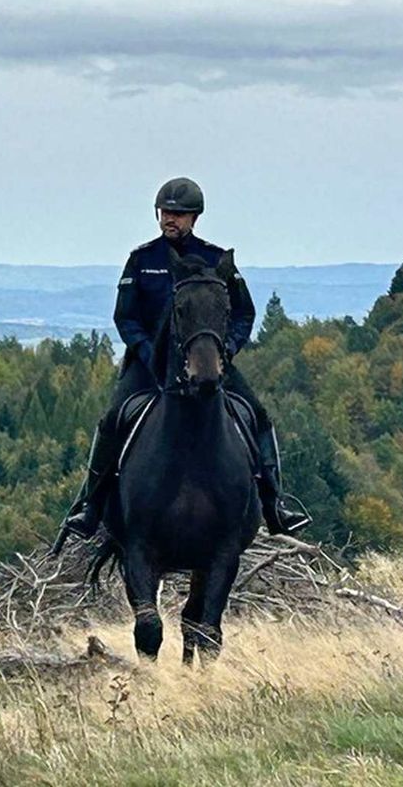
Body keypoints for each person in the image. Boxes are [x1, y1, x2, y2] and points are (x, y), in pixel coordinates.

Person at [56, 177, 311, 546]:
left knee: (258, 414)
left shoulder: (216, 260)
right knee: (110, 420)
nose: (169, 220)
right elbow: (125, 317)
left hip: (208, 363)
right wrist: (149, 354)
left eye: (177, 214)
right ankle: (90, 505)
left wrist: (225, 351)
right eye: (164, 213)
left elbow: (244, 313)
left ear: (194, 217)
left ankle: (275, 503)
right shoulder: (141, 259)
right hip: (148, 366)